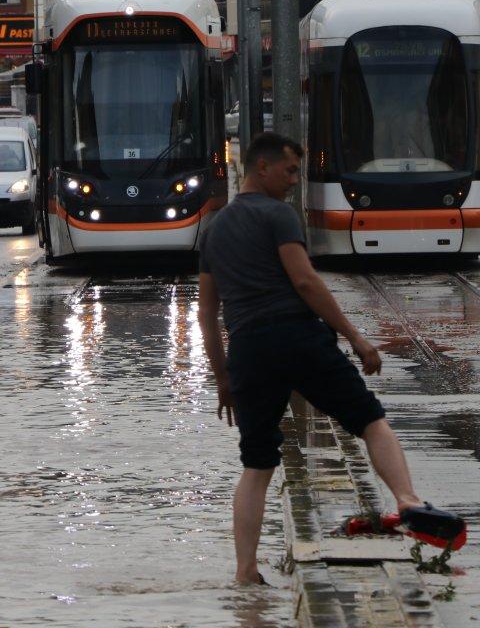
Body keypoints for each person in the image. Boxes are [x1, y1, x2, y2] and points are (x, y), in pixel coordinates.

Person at [197, 132, 464, 586]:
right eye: (289, 171)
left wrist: (223, 377)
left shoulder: (214, 229)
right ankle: (406, 499)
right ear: (261, 168)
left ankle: (245, 574)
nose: (293, 181)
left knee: (257, 465)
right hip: (296, 337)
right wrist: (356, 337)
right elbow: (305, 282)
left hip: (248, 350)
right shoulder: (279, 216)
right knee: (369, 419)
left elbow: (206, 314)